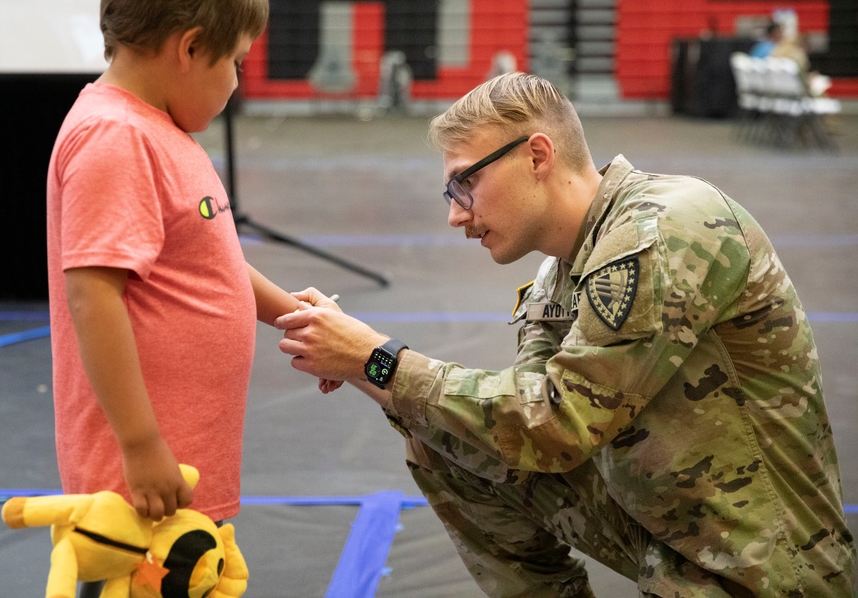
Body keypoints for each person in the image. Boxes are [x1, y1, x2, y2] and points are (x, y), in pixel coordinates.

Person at [276, 72, 856, 597]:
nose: (456, 214)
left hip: (762, 566)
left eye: (464, 184)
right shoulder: (559, 270)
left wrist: (377, 360)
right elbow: (512, 422)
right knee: (445, 440)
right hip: (674, 527)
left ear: (536, 155)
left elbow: (556, 426)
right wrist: (354, 357)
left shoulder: (662, 228)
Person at [46, 0, 299, 540]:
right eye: (236, 61)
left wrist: (293, 315)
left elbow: (208, 261)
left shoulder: (157, 131)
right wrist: (139, 444)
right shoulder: (116, 138)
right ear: (189, 47)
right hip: (140, 489)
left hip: (182, 473)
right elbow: (94, 294)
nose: (238, 82)